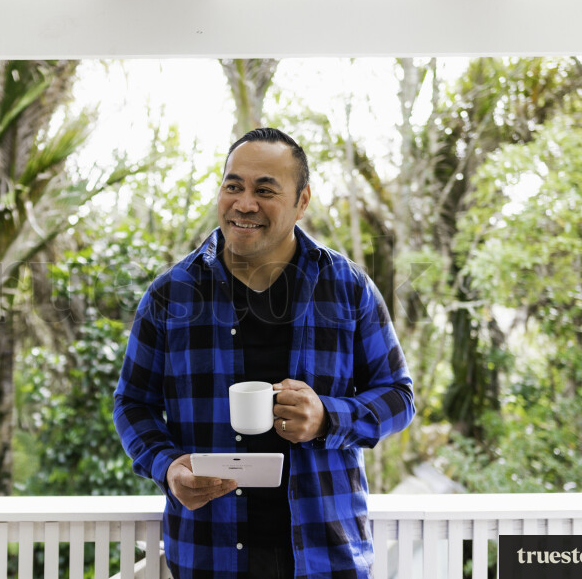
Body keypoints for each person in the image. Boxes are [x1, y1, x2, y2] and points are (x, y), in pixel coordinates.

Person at [113, 128, 415, 579]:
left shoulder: (348, 288)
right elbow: (132, 402)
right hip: (207, 555)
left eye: (265, 190)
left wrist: (327, 418)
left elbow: (399, 397)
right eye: (233, 186)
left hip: (325, 556)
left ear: (302, 200)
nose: (245, 203)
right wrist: (168, 465)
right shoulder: (170, 294)